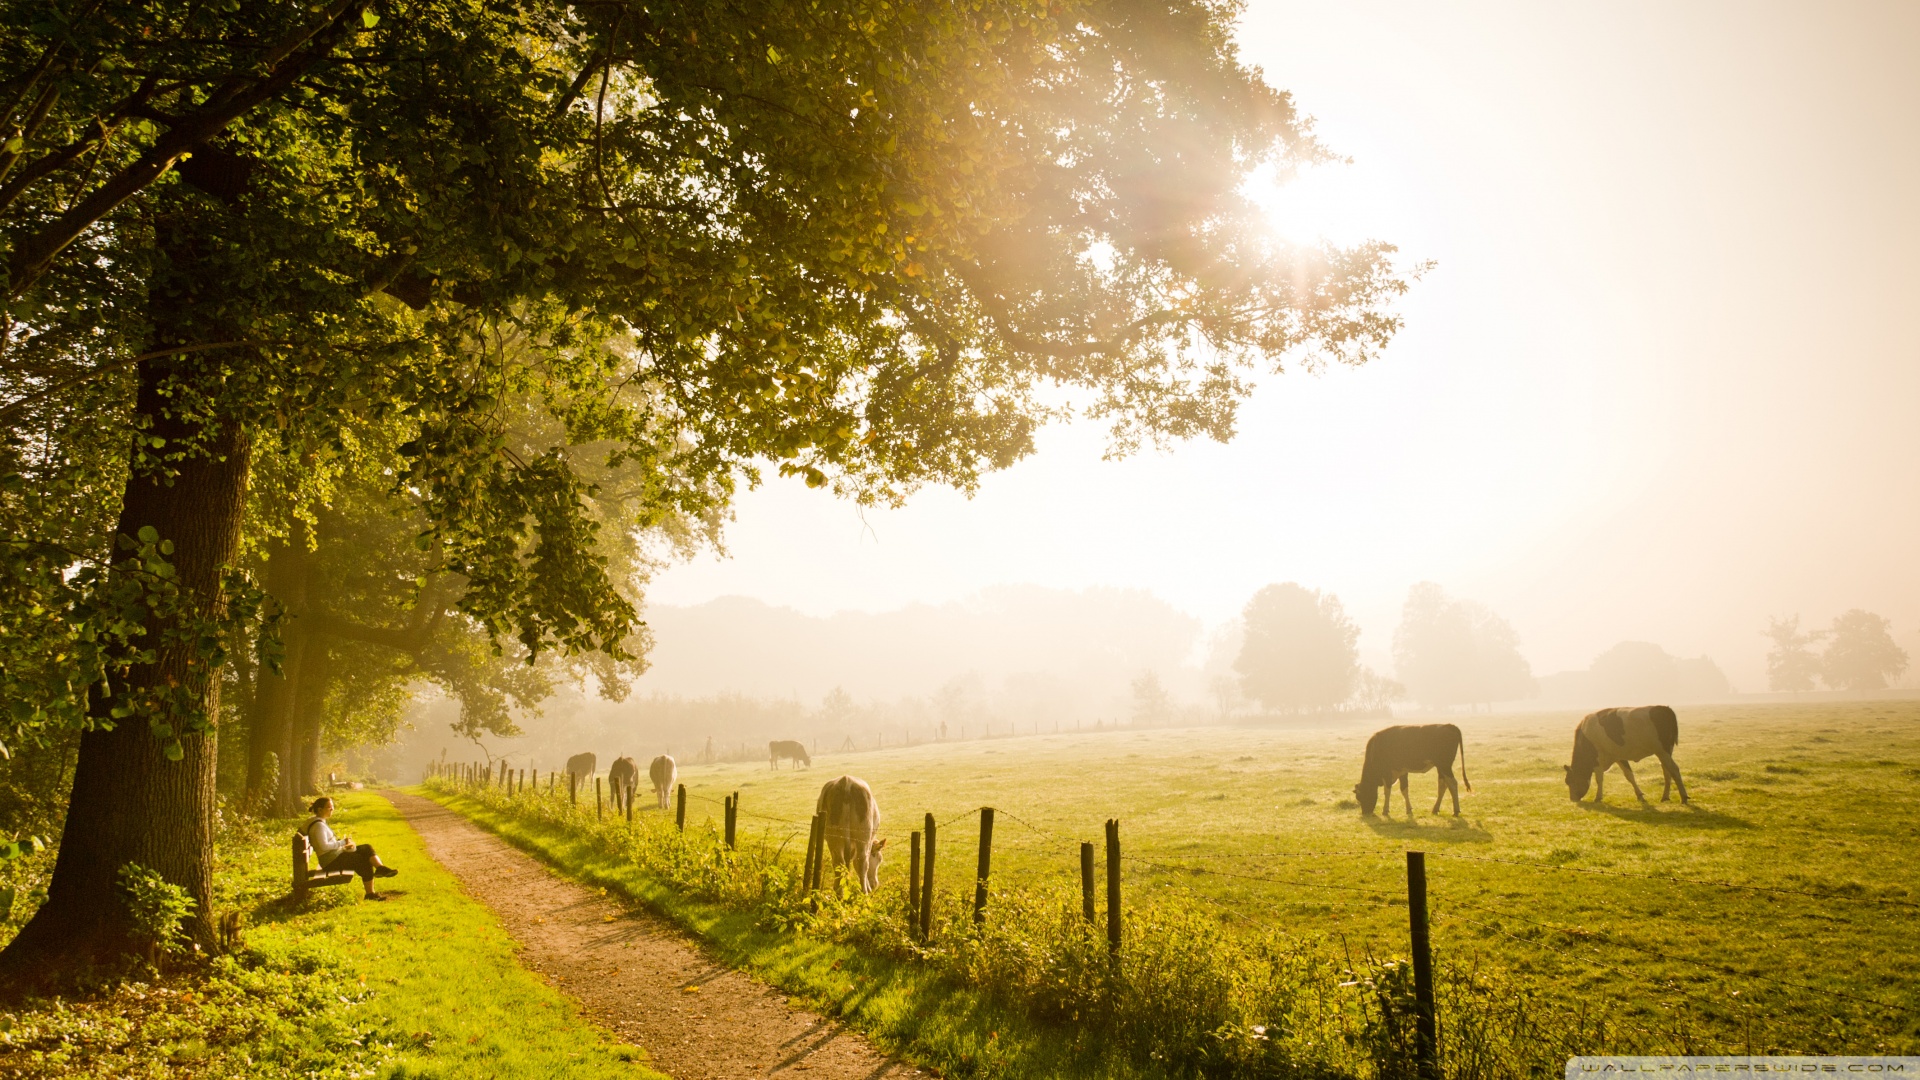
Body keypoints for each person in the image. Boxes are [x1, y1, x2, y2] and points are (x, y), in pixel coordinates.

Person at [304, 797, 399, 900]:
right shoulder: (319, 826)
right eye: (329, 807)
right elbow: (324, 846)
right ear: (320, 809)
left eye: (332, 806)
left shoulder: (319, 822)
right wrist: (342, 843)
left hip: (333, 857)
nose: (332, 809)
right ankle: (370, 894)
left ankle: (380, 868)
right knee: (362, 860)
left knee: (366, 848)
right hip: (330, 862)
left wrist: (343, 847)